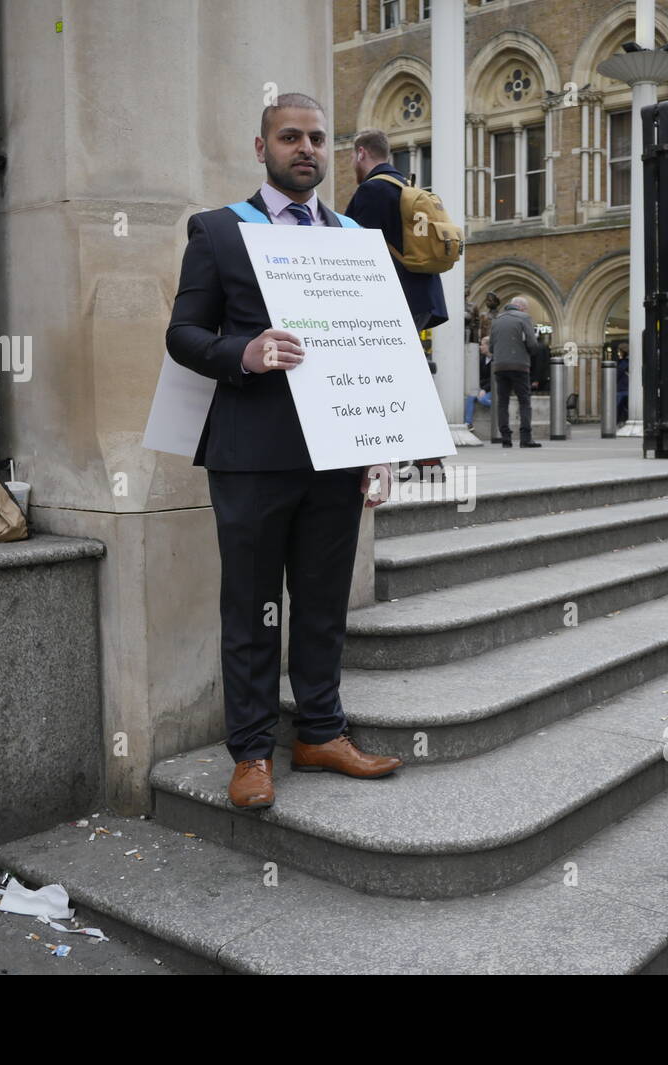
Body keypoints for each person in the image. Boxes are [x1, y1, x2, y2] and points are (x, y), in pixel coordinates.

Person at [164, 92, 403, 811]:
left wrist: (382, 442)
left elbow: (378, 345)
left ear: (332, 152)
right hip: (252, 456)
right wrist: (247, 350)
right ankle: (250, 751)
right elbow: (182, 334)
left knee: (324, 604)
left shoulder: (354, 237)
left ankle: (321, 733)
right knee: (252, 607)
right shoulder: (217, 232)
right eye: (291, 136)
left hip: (336, 454)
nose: (306, 148)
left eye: (319, 139)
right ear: (261, 147)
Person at [344, 128, 447, 333]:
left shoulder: (371, 189)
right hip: (424, 295)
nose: (352, 164)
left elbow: (361, 252)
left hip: (396, 298)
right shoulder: (405, 186)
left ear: (361, 153)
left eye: (352, 157)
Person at [490, 295, 541, 448]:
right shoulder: (524, 317)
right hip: (519, 366)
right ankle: (525, 438)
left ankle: (506, 438)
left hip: (500, 366)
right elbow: (533, 344)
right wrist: (528, 350)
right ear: (522, 308)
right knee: (524, 402)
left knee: (502, 402)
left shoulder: (497, 320)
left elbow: (491, 347)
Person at [464, 334, 493, 429]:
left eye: (482, 344)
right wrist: (480, 388)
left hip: (493, 389)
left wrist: (484, 389)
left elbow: (494, 379)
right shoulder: (482, 359)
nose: (480, 347)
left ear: (489, 346)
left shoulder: (496, 359)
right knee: (470, 397)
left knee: (483, 400)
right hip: (483, 388)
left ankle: (499, 407)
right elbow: (479, 376)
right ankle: (468, 423)